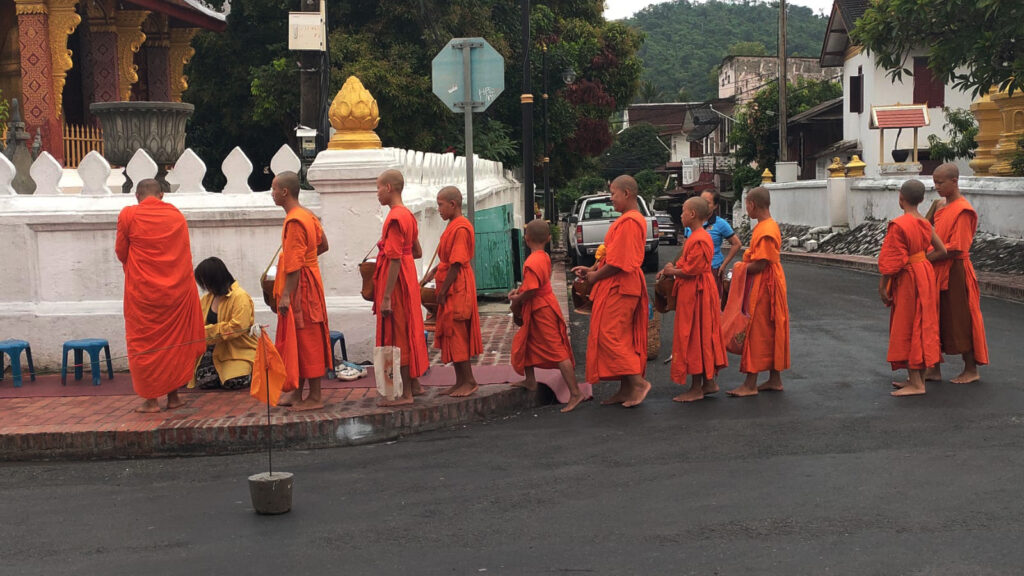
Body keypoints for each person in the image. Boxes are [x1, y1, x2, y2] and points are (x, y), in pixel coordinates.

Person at [115, 178, 206, 413]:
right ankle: (174, 397)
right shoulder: (176, 217)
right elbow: (184, 254)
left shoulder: (129, 216)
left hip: (144, 294)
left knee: (145, 344)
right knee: (175, 344)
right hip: (176, 293)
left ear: (137, 196)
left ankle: (151, 400)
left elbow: (121, 252)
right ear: (162, 195)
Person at [571, 175, 651, 407]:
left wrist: (596, 276)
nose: (610, 198)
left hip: (621, 285)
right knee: (618, 336)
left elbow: (619, 262)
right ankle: (625, 388)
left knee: (610, 335)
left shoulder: (631, 221)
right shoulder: (626, 220)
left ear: (626, 193)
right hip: (616, 282)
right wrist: (592, 269)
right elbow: (611, 256)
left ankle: (638, 383)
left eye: (613, 194)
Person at [510, 219, 587, 413]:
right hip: (542, 305)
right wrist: (520, 294)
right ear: (549, 238)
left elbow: (532, 289)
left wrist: (518, 299)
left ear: (526, 239)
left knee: (556, 349)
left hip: (541, 308)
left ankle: (575, 392)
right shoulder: (543, 256)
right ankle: (530, 380)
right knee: (526, 341)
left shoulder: (532, 261)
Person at [271, 171, 332, 411]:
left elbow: (294, 264)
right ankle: (297, 392)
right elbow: (323, 246)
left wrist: (286, 294)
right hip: (308, 281)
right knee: (299, 338)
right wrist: (308, 261)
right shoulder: (307, 215)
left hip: (301, 288)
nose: (272, 194)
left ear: (285, 192)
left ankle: (315, 396)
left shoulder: (295, 221)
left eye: (274, 189)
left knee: (308, 338)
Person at [878, 180, 945, 397]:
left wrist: (882, 285)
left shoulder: (899, 225)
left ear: (900, 198)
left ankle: (917, 383)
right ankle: (917, 377)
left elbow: (892, 262)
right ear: (922, 200)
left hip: (908, 277)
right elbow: (942, 250)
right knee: (924, 322)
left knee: (907, 325)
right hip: (925, 273)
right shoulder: (925, 223)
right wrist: (920, 259)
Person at [926, 163, 989, 383]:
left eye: (940, 183)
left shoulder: (963, 210)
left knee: (960, 318)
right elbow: (927, 231)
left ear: (954, 181)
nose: (937, 187)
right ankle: (933, 368)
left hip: (955, 271)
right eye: (934, 183)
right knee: (934, 318)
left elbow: (957, 247)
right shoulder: (940, 205)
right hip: (937, 269)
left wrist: (926, 259)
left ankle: (971, 369)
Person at [661, 196, 728, 402]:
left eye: (682, 211)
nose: (680, 215)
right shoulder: (696, 236)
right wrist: (669, 270)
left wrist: (673, 270)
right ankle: (708, 383)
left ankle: (696, 388)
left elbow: (692, 269)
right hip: (696, 289)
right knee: (701, 334)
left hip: (697, 291)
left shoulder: (700, 238)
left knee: (695, 336)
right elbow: (684, 261)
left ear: (692, 214)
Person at [728, 187, 790, 397]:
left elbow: (761, 264)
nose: (746, 209)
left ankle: (750, 384)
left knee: (756, 330)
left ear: (752, 204)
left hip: (765, 286)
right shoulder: (767, 226)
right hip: (771, 282)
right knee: (772, 329)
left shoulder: (765, 230)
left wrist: (738, 269)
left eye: (746, 204)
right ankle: (775, 378)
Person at [374, 169, 428, 406]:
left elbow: (394, 258)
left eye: (378, 188)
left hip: (396, 282)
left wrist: (386, 297)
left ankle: (405, 394)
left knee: (398, 334)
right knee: (408, 328)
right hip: (408, 277)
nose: (377, 193)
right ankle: (414, 384)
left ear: (388, 188)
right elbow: (417, 251)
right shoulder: (408, 215)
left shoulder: (395, 217)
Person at [422, 186, 482, 397]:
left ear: (453, 204)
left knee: (458, 333)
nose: (438, 209)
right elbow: (448, 260)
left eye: (440, 205)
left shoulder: (461, 228)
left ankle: (470, 381)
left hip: (457, 287)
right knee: (450, 331)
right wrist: (433, 273)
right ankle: (460, 381)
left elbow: (457, 264)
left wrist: (443, 291)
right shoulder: (452, 226)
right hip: (449, 282)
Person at [191, 257, 259, 390]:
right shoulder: (207, 299)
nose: (204, 286)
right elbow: (197, 322)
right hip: (212, 349)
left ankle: (252, 370)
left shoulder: (240, 296)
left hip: (237, 349)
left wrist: (206, 332)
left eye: (205, 282)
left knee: (232, 381)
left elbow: (238, 327)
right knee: (205, 382)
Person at [682, 190, 741, 303]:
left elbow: (736, 244)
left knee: (712, 303)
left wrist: (723, 265)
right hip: (691, 270)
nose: (703, 205)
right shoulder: (689, 221)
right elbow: (685, 247)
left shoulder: (720, 224)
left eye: (707, 203)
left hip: (712, 269)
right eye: (701, 201)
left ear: (715, 206)